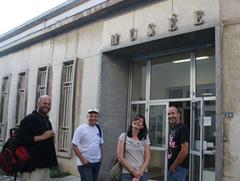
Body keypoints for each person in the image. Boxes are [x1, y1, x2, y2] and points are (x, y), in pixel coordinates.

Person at [16, 95, 58, 181]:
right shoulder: (29, 119)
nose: (46, 105)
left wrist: (51, 137)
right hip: (32, 166)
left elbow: (46, 139)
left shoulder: (46, 120)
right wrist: (43, 136)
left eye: (49, 104)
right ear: (38, 103)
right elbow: (20, 139)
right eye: (44, 103)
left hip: (45, 164)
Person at [72, 108, 104, 181]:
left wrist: (101, 157)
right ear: (87, 117)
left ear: (98, 117)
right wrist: (82, 159)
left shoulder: (99, 129)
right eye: (91, 116)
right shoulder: (81, 129)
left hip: (96, 163)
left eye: (95, 116)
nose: (93, 118)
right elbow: (74, 145)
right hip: (85, 163)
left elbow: (100, 144)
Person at [117, 115, 151, 181]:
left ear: (142, 126)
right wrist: (134, 172)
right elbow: (120, 157)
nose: (137, 121)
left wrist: (138, 175)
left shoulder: (145, 138)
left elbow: (147, 159)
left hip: (142, 174)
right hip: (127, 174)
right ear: (132, 122)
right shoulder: (123, 136)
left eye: (140, 121)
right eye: (136, 119)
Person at [167, 106, 189, 181]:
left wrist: (173, 166)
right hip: (173, 168)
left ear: (179, 115)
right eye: (169, 114)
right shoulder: (173, 128)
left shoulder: (182, 128)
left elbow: (185, 150)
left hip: (178, 168)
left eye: (173, 113)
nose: (170, 116)